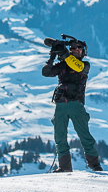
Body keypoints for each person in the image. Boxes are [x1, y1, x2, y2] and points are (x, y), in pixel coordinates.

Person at [41, 36, 103, 172]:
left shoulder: (84, 65)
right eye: (73, 48)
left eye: (79, 48)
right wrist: (52, 56)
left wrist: (63, 53)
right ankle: (64, 167)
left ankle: (95, 166)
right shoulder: (63, 64)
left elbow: (76, 66)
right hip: (61, 104)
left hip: (76, 103)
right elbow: (46, 72)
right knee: (60, 136)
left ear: (83, 51)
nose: (76, 50)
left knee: (84, 136)